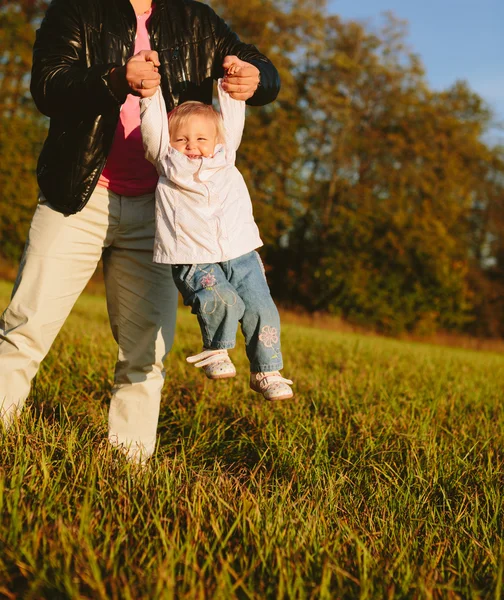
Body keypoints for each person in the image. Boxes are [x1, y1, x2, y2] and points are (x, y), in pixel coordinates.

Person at [0, 0, 280, 463]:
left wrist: (255, 77)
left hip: (162, 213)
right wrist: (115, 79)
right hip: (79, 195)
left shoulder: (195, 18)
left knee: (146, 353)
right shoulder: (76, 9)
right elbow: (48, 86)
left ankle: (128, 468)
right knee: (25, 328)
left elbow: (261, 70)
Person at [140, 57, 293, 401]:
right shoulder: (167, 163)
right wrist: (150, 96)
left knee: (261, 307)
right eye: (183, 139)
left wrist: (232, 81)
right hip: (195, 257)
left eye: (201, 138)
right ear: (170, 143)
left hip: (240, 251)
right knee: (223, 300)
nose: (192, 145)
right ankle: (217, 349)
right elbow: (153, 131)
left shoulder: (226, 156)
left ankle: (267, 370)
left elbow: (233, 117)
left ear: (217, 140)